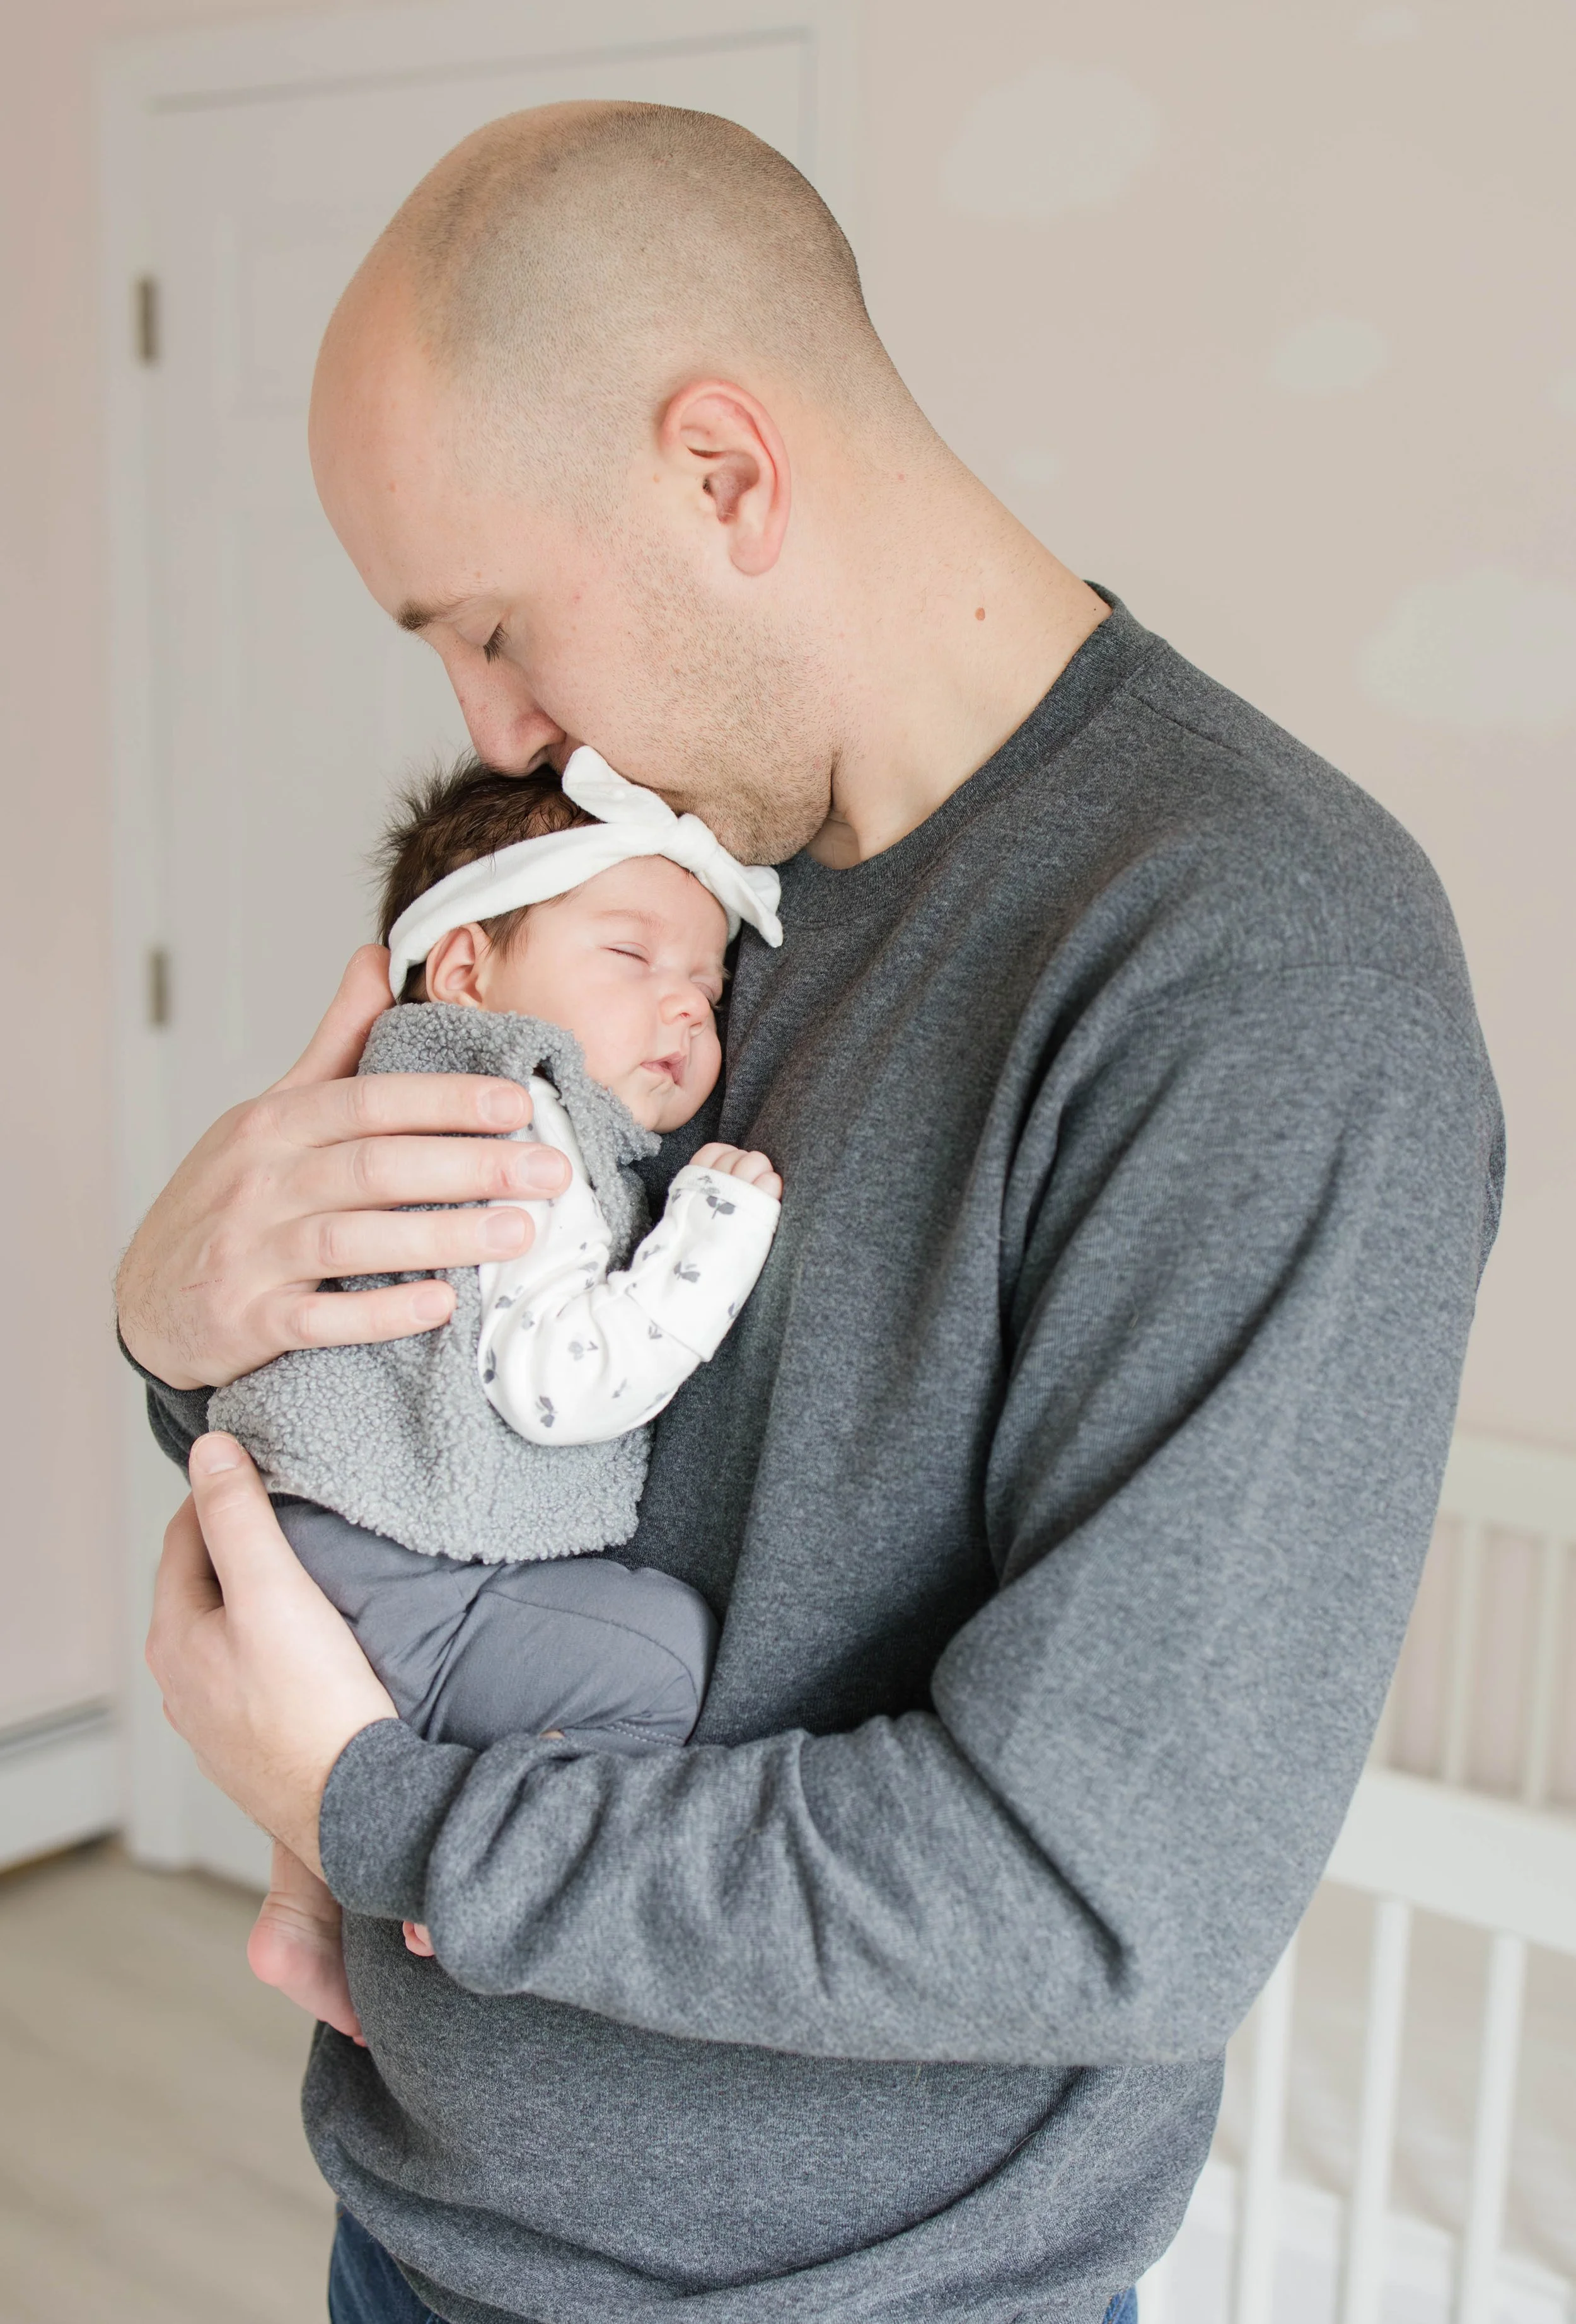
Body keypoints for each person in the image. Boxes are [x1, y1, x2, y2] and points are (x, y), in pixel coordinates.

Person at [126, 102, 1504, 2324]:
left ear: (722, 476)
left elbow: (1092, 1891)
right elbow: (430, 1430)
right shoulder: (659, 895)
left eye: (493, 624)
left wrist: (378, 1812)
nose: (502, 734)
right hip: (416, 2227)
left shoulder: (1256, 967)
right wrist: (175, 1319)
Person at [217, 746, 783, 2046]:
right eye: (633, 958)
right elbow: (552, 1382)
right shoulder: (517, 1123)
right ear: (470, 969)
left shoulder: (399, 1090)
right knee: (657, 1658)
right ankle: (474, 1874)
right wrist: (711, 1236)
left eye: (706, 983)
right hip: (379, 1555)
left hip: (302, 1518)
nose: (686, 1010)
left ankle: (302, 1914)